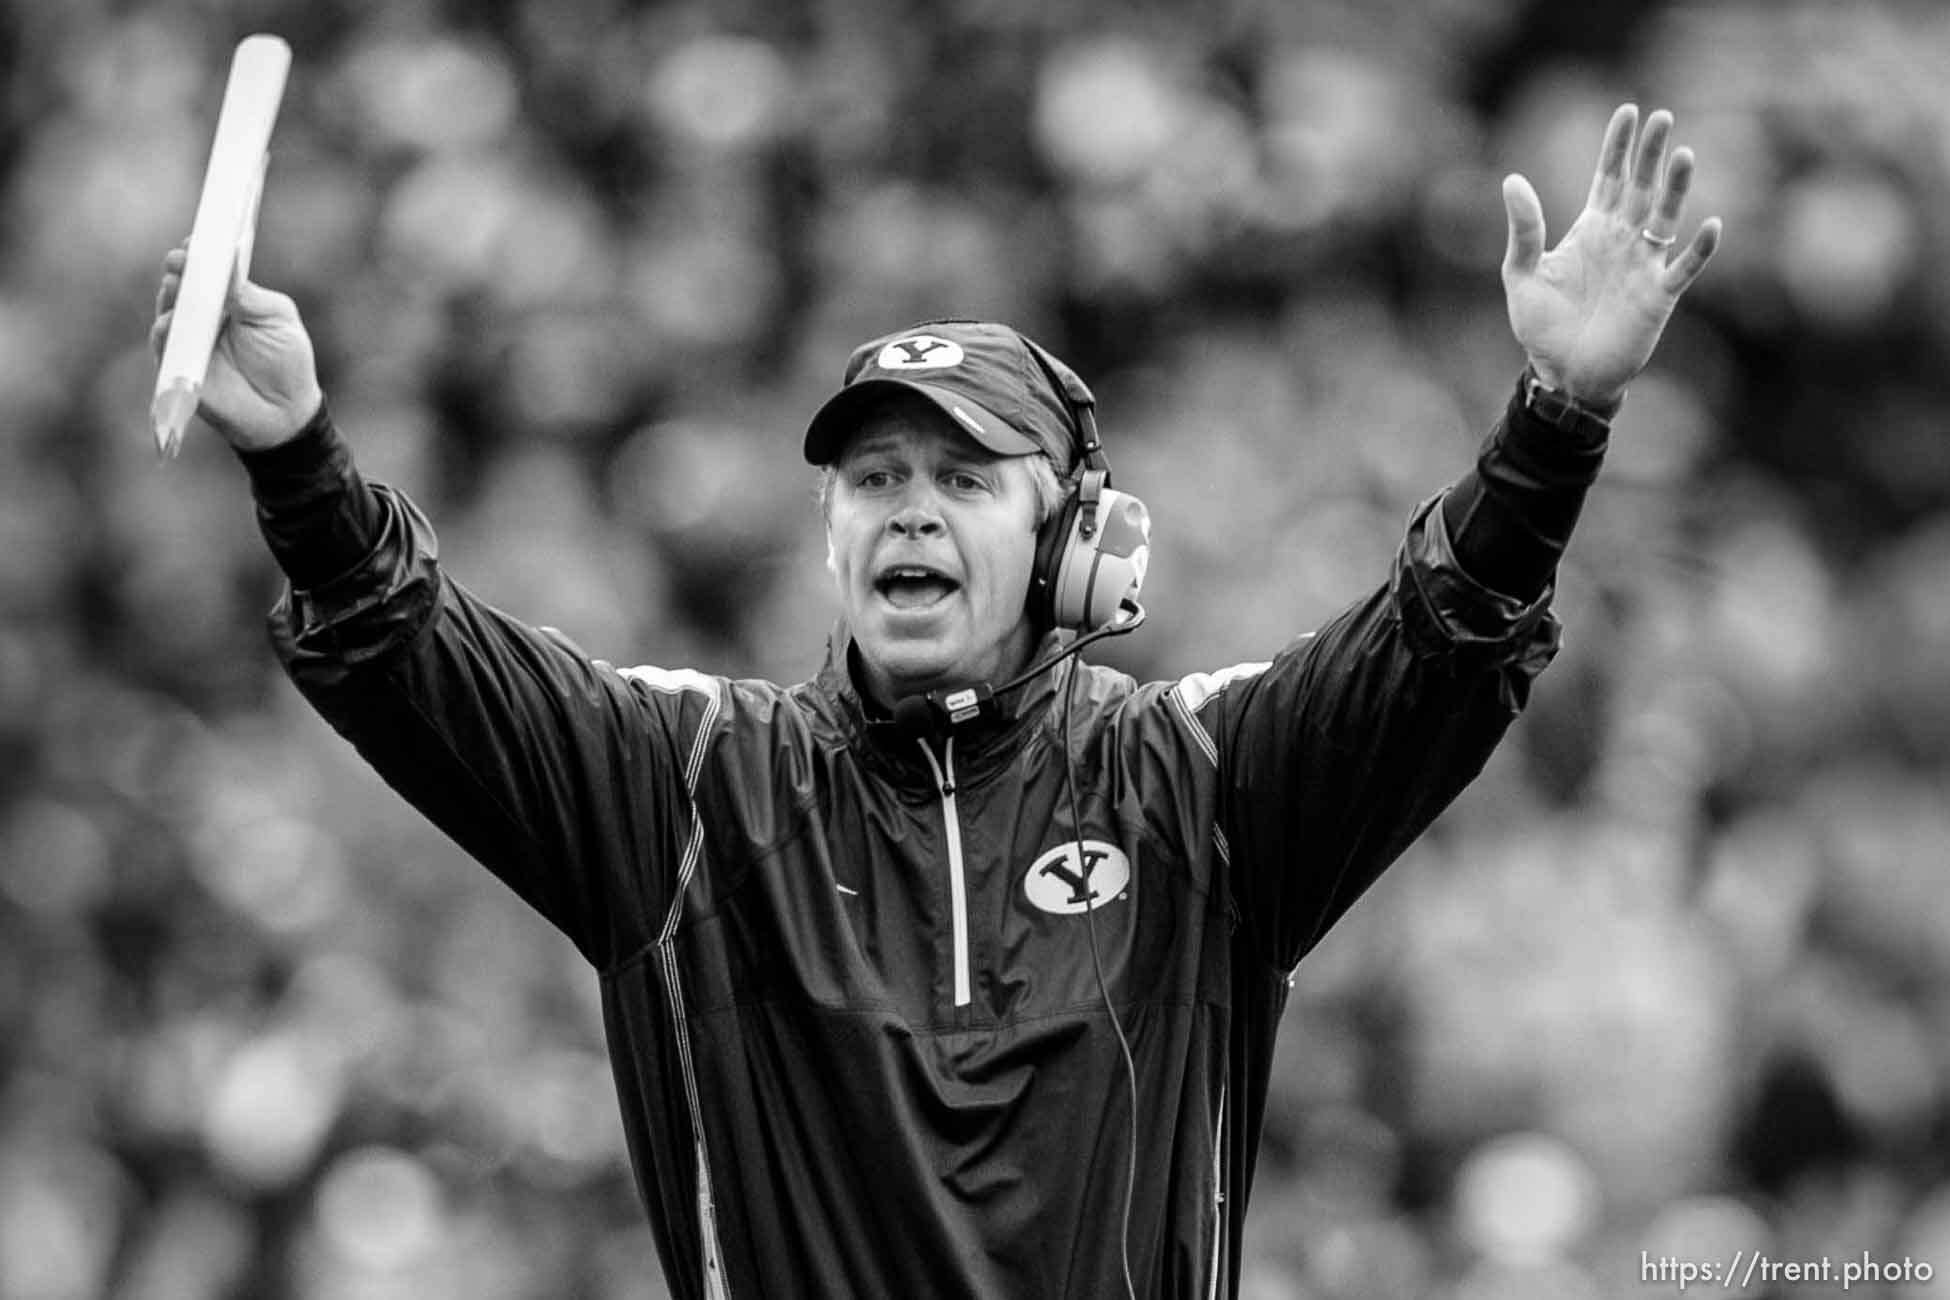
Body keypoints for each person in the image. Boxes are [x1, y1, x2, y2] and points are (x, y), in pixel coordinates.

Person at [151, 103, 1718, 1298]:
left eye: (966, 477)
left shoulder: (1198, 782)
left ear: (1077, 539)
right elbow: (413, 654)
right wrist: (298, 460)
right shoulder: (690, 786)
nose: (909, 510)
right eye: (875, 478)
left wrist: (1557, 419)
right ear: (828, 533)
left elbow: (1437, 646)